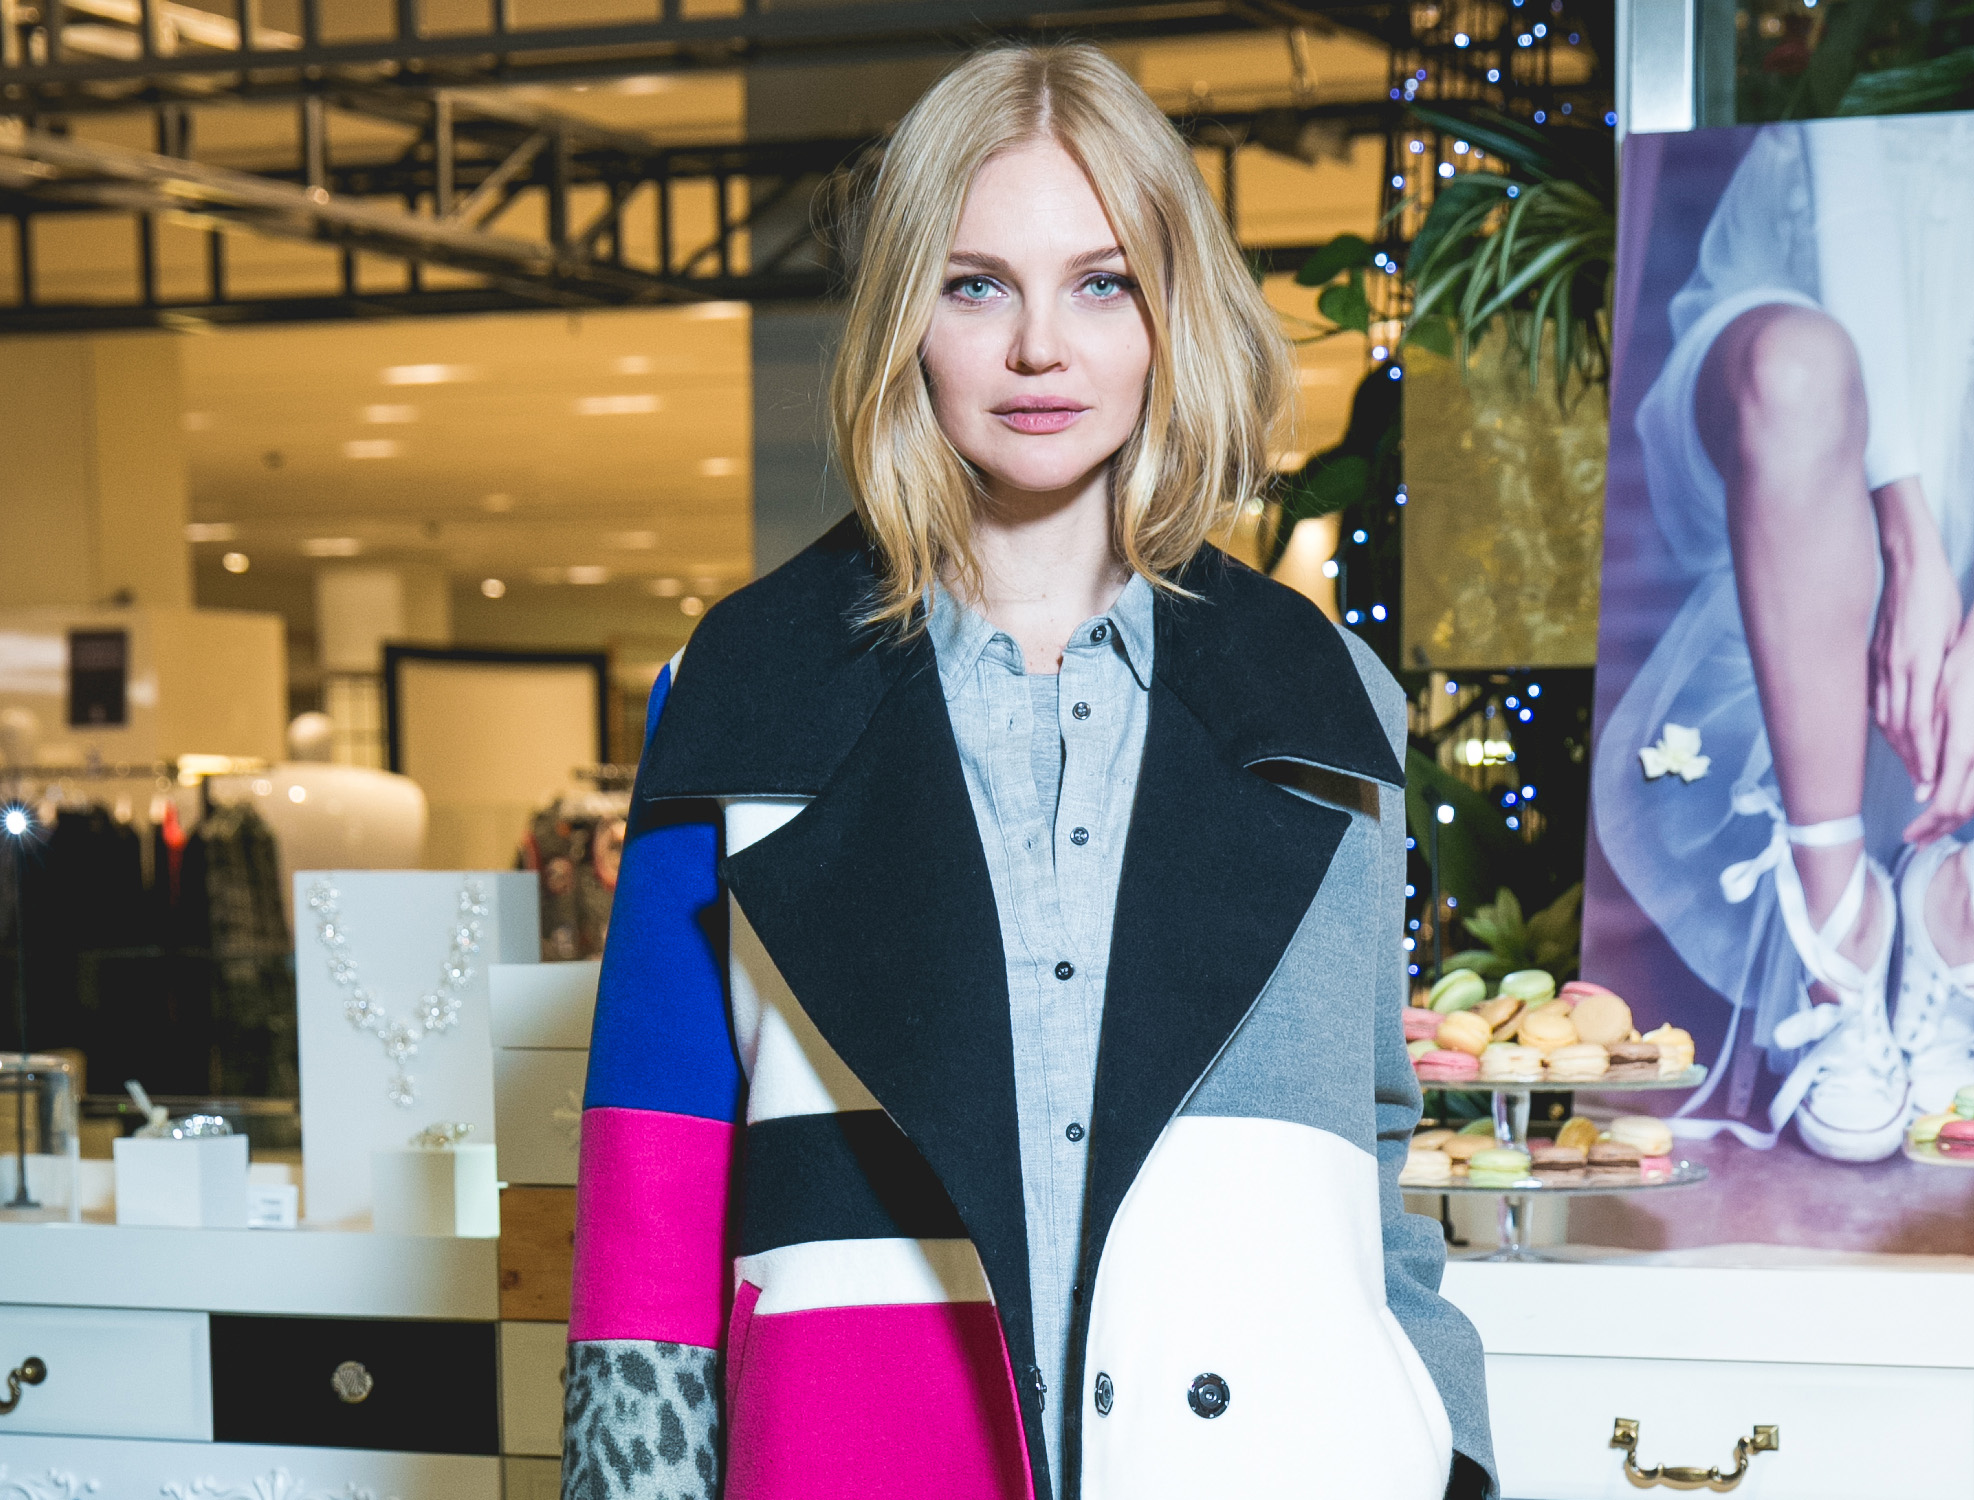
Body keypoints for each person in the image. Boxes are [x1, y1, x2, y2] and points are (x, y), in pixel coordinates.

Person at [558, 41, 1496, 1500]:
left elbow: (1370, 1140)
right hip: (869, 1446)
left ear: (1172, 312)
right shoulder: (745, 687)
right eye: (976, 284)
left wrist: (1450, 1444)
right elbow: (652, 1176)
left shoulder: (1322, 695)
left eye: (1102, 283)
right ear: (905, 316)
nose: (1040, 348)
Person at [1594, 102, 1974, 1161]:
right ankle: (1841, 933)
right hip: (1821, 273)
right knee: (1799, 371)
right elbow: (1850, 211)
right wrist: (1911, 544)